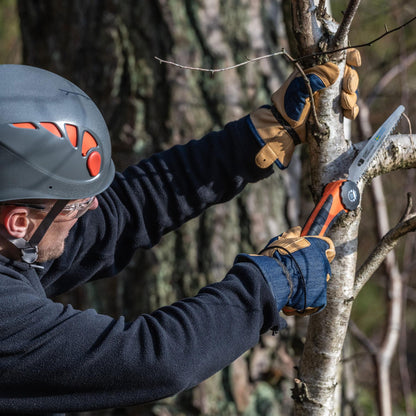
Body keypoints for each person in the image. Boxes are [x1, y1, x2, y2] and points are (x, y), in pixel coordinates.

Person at [0, 50, 360, 415]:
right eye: (77, 205)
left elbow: (124, 210)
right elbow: (152, 360)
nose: (92, 207)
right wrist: (267, 284)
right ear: (17, 222)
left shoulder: (16, 237)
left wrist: (257, 137)